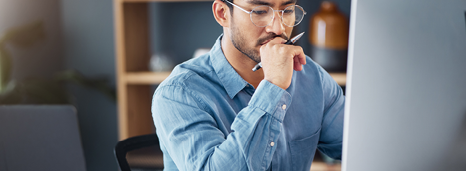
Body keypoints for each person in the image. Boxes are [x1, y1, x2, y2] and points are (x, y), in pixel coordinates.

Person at [151, 0, 345, 170]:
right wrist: (273, 88)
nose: (278, 29)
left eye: (287, 10)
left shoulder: (311, 76)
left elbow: (359, 147)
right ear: (222, 13)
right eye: (260, 11)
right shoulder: (178, 94)